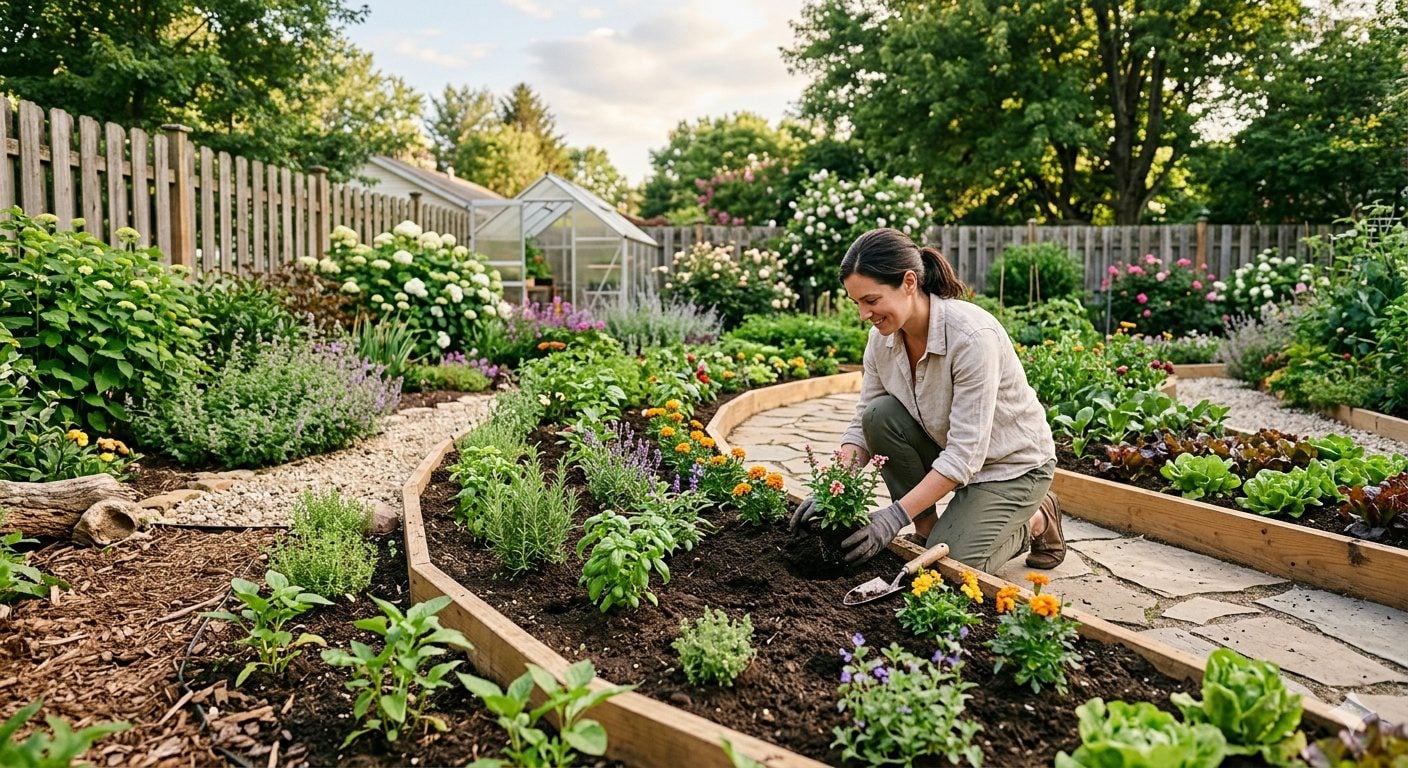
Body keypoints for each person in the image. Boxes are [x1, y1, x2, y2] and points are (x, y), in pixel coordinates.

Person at [789, 227, 1064, 573]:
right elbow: (863, 422)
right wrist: (833, 488)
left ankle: (1036, 518)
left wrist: (893, 516)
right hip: (949, 449)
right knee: (879, 415)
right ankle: (927, 528)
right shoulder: (881, 341)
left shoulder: (971, 337)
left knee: (947, 568)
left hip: (1010, 467)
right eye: (856, 302)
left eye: (871, 300)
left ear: (908, 283)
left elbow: (966, 454)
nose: (863, 314)